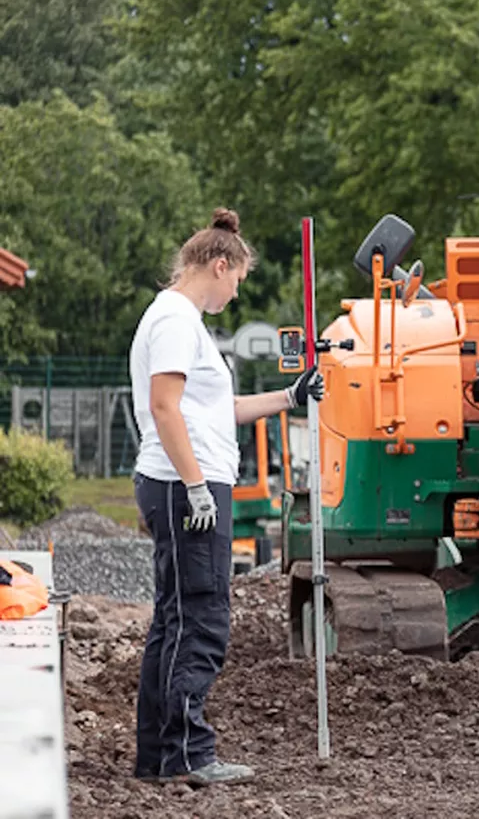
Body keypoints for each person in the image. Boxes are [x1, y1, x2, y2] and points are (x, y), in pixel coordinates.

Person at [129, 208, 324, 786]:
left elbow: (218, 409)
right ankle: (187, 754)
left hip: (179, 482)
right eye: (237, 280)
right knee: (203, 618)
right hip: (180, 485)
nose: (236, 293)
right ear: (219, 265)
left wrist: (289, 395)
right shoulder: (174, 321)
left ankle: (160, 755)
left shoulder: (182, 322)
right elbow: (165, 407)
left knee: (176, 617)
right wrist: (194, 485)